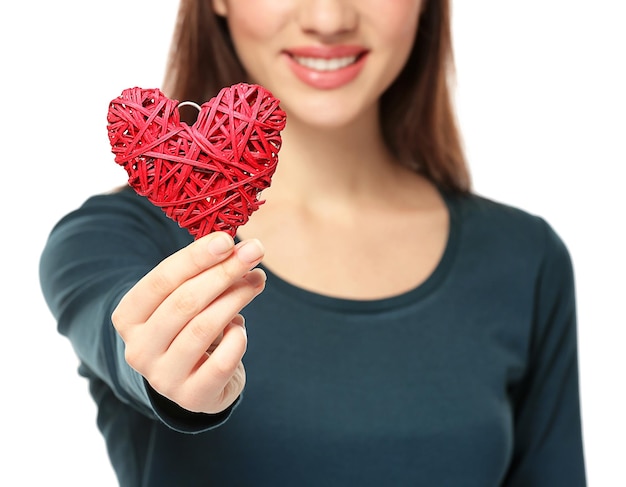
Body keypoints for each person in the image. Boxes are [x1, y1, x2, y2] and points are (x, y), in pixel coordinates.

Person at [39, 0, 587, 485]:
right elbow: (116, 330)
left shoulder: (524, 257)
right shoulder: (109, 240)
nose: (329, 19)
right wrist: (165, 375)